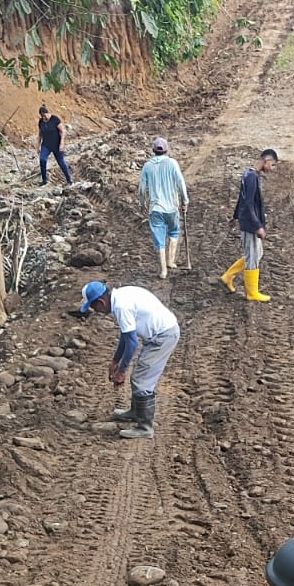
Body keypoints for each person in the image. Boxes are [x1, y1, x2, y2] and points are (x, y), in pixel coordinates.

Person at [78, 279, 180, 440]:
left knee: (141, 380)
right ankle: (136, 413)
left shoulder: (121, 307)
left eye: (93, 307)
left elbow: (132, 343)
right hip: (161, 333)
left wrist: (121, 371)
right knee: (139, 377)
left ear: (101, 302)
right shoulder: (120, 296)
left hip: (163, 337)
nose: (95, 311)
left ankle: (145, 427)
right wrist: (115, 360)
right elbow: (126, 335)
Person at [221, 148, 278, 303]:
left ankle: (228, 276)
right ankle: (252, 293)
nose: (272, 168)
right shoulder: (252, 177)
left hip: (248, 221)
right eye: (273, 165)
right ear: (267, 161)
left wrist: (235, 216)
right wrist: (257, 226)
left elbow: (242, 198)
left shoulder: (249, 174)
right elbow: (247, 204)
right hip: (250, 223)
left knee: (256, 254)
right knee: (253, 257)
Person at [138, 136, 189, 280]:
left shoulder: (147, 166)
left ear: (153, 150)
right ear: (167, 150)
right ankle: (171, 261)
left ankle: (163, 270)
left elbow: (142, 189)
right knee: (174, 232)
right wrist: (185, 200)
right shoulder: (172, 163)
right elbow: (181, 183)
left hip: (155, 208)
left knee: (159, 239)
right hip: (172, 207)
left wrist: (142, 203)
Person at [38, 104, 73, 187]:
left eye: (45, 116)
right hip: (46, 144)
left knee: (61, 162)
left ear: (47, 113)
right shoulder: (41, 122)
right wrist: (38, 145)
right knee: (42, 160)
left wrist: (62, 143)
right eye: (42, 116)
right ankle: (44, 180)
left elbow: (63, 131)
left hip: (56, 144)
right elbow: (40, 134)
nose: (44, 118)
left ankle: (69, 180)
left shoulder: (55, 119)